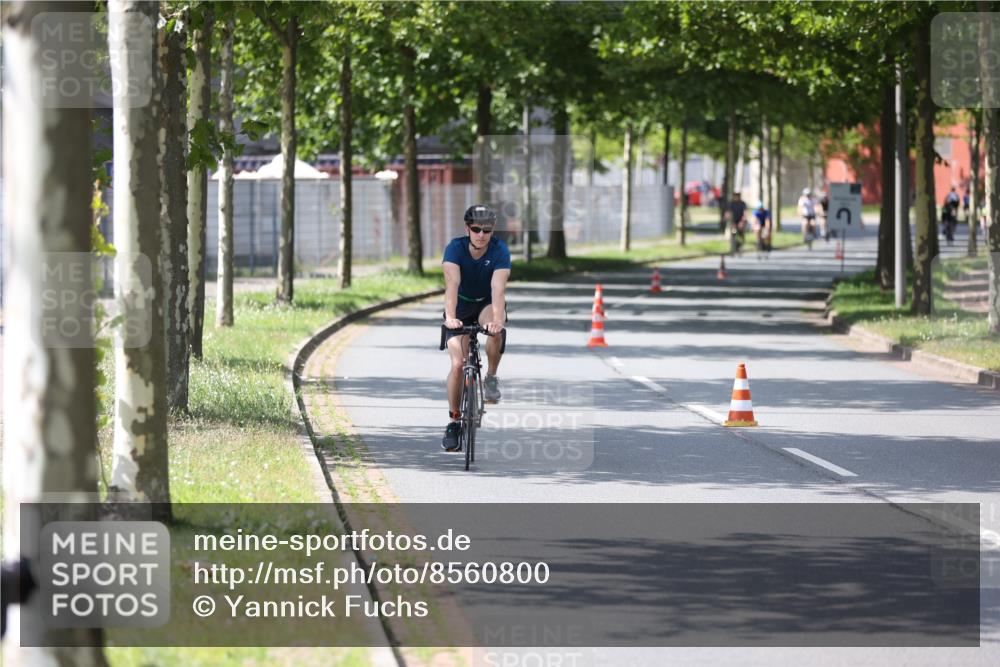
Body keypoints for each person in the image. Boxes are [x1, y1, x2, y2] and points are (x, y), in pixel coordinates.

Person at [440, 204, 511, 451]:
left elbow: (498, 289)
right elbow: (452, 284)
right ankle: (453, 421)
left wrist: (497, 320)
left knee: (495, 330)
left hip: (485, 304)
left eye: (487, 230)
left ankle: (491, 377)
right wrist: (450, 316)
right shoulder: (454, 249)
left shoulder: (500, 250)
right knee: (458, 365)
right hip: (459, 306)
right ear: (467, 229)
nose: (481, 234)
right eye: (476, 229)